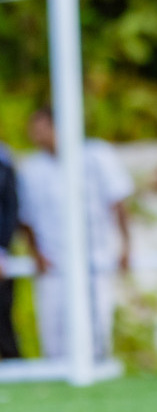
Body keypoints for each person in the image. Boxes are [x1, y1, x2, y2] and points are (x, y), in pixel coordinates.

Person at [17, 107, 133, 361]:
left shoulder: (96, 155)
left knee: (96, 328)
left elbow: (118, 203)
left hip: (95, 258)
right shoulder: (32, 169)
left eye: (41, 128)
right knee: (54, 334)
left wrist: (125, 246)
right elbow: (26, 219)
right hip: (53, 263)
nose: (35, 135)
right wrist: (35, 252)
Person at [0, 141, 21, 359]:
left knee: (3, 315)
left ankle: (12, 360)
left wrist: (2, 249)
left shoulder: (3, 161)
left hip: (2, 253)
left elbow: (10, 205)